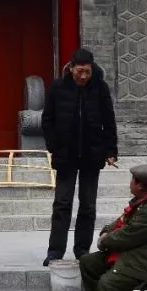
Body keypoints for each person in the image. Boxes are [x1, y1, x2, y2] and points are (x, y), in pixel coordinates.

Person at [42, 48, 118, 266]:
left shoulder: (100, 88)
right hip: (65, 154)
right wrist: (54, 146)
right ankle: (55, 251)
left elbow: (109, 121)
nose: (83, 76)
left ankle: (82, 250)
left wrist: (110, 151)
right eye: (80, 71)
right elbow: (47, 120)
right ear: (72, 68)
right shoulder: (58, 87)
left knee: (88, 206)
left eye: (87, 72)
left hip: (91, 154)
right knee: (62, 204)